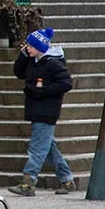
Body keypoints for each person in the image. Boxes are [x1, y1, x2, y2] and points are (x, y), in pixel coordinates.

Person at [11, 27, 77, 195]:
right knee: (48, 148)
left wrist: (43, 91)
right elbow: (18, 73)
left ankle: (28, 182)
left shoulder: (52, 63)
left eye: (30, 46)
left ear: (40, 47)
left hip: (46, 110)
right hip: (36, 109)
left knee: (37, 148)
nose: (28, 48)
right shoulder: (33, 61)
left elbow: (66, 83)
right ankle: (67, 180)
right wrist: (23, 56)